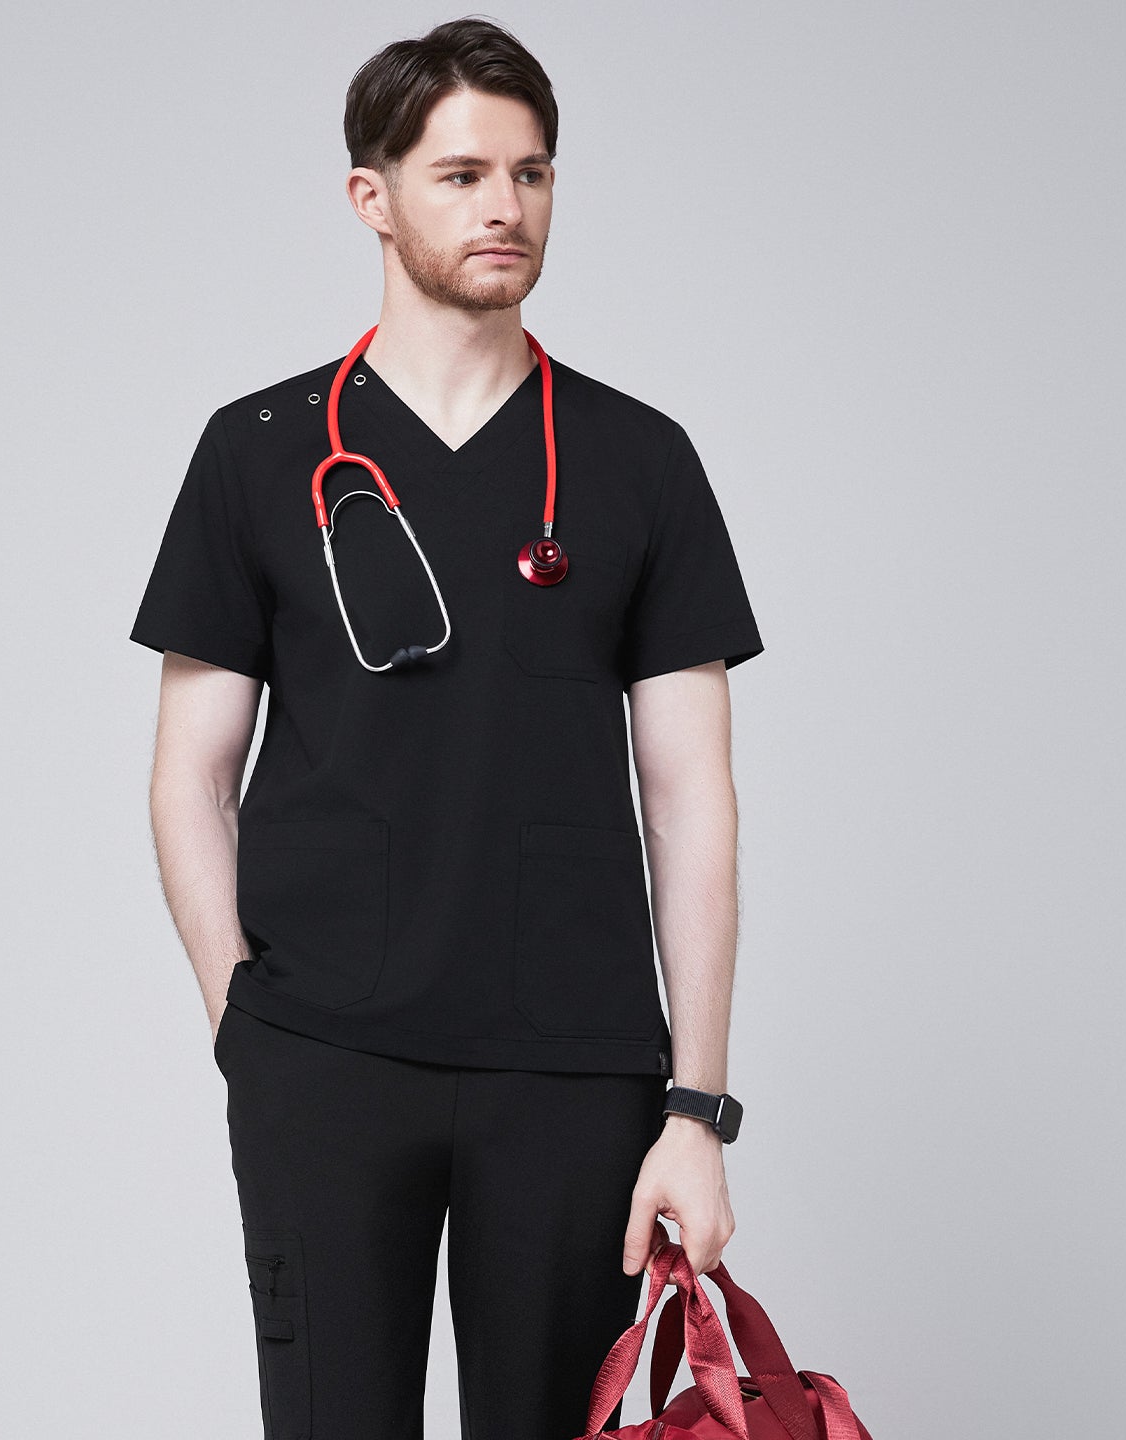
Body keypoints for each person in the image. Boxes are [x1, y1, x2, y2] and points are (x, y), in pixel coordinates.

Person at [129, 17, 764, 1439]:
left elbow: (692, 803)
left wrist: (696, 1111)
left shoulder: (637, 461)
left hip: (577, 1075)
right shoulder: (261, 451)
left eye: (533, 174)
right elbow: (189, 777)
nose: (505, 208)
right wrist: (250, 1030)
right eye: (463, 173)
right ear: (374, 197)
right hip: (328, 1067)